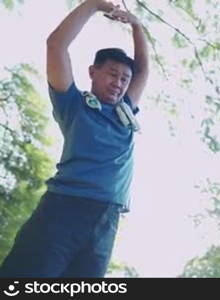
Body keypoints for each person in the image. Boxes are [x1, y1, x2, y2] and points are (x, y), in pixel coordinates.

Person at [0, 0, 149, 277]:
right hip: (63, 212)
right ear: (93, 72)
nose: (119, 82)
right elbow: (56, 46)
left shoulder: (125, 112)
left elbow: (142, 70)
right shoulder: (74, 105)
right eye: (112, 74)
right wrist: (93, 5)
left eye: (124, 79)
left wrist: (137, 26)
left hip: (106, 222)